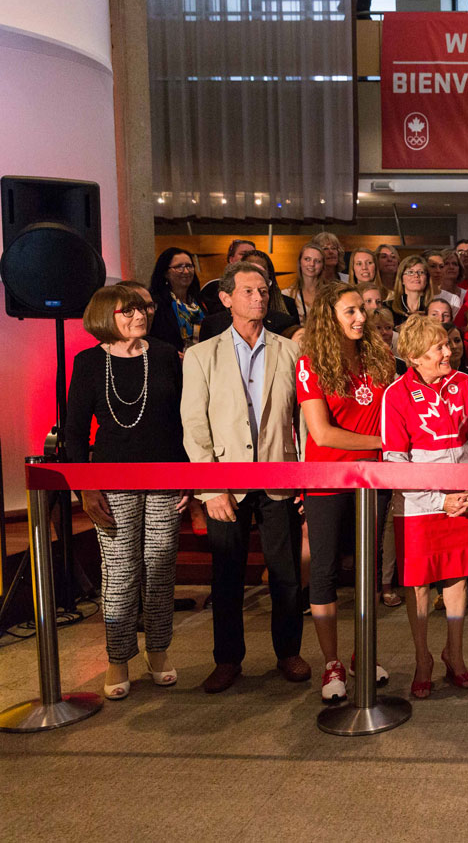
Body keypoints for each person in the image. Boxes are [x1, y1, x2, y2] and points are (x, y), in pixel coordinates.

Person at [180, 261, 309, 694]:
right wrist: (210, 488)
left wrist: (307, 475)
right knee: (227, 576)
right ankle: (227, 659)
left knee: (287, 573)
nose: (259, 297)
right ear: (226, 297)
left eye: (264, 290)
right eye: (249, 291)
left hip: (281, 476)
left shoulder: (290, 350)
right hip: (225, 482)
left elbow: (305, 421)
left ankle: (288, 652)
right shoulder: (201, 355)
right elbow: (194, 425)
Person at [66, 284, 188, 699]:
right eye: (129, 310)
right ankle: (118, 658)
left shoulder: (166, 355)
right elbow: (76, 435)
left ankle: (158, 651)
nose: (140, 315)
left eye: (143, 308)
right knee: (120, 572)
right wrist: (86, 487)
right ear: (106, 315)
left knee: (160, 566)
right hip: (111, 481)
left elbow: (182, 421)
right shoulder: (87, 362)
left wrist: (187, 476)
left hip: (165, 476)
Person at [295, 282, 397, 703]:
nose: (360, 318)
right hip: (327, 479)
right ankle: (332, 663)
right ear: (328, 318)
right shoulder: (311, 363)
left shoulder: (380, 357)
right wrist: (385, 443)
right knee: (323, 571)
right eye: (350, 311)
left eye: (363, 311)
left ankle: (362, 652)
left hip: (373, 481)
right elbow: (322, 432)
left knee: (368, 570)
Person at [382, 315, 468, 697]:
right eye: (439, 348)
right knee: (418, 583)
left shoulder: (465, 383)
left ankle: (455, 654)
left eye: (448, 344)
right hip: (418, 504)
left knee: (459, 577)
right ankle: (422, 657)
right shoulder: (395, 394)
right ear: (414, 357)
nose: (449, 352)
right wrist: (436, 498)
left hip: (464, 496)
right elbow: (394, 459)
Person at [200, 251, 298, 340]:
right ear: (226, 299)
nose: (258, 298)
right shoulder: (213, 325)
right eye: (248, 291)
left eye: (262, 291)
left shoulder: (285, 323)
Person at [148, 247, 204, 353]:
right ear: (165, 273)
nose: (186, 271)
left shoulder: (200, 301)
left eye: (189, 266)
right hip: (172, 361)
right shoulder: (156, 304)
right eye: (179, 267)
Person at [200, 239, 255, 315]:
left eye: (252, 255)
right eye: (243, 254)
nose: (248, 258)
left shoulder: (262, 287)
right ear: (231, 259)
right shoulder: (212, 288)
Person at [285, 243, 325, 322]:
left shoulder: (330, 294)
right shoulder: (287, 295)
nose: (312, 264)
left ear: (323, 265)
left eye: (317, 261)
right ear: (300, 262)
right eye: (307, 259)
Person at [389, 254, 432, 324]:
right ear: (401, 279)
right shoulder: (388, 307)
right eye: (410, 272)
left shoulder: (435, 308)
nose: (416, 276)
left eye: (421, 272)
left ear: (427, 279)